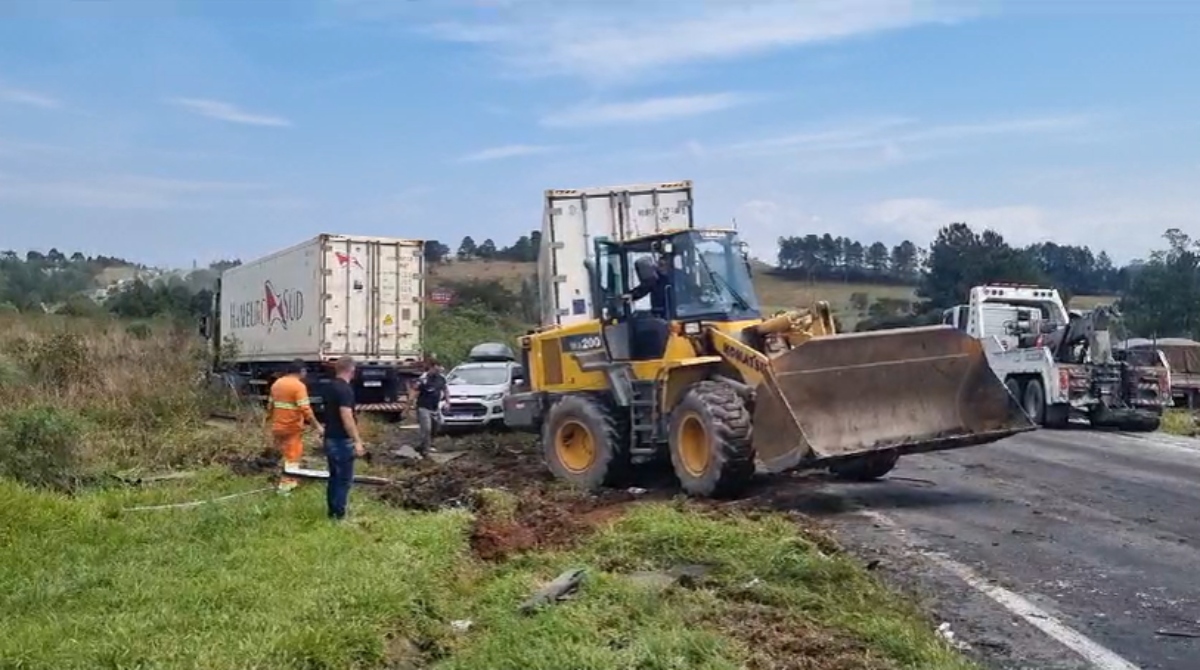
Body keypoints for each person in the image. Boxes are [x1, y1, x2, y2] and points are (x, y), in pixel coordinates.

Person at [266, 359, 322, 494]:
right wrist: (317, 425)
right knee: (292, 455)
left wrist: (268, 422)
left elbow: (270, 406)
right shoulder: (298, 386)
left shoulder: (277, 384)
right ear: (301, 371)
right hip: (292, 427)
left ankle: (285, 479)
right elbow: (305, 409)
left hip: (277, 426)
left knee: (283, 454)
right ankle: (286, 487)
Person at [321, 356, 365, 520]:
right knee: (344, 480)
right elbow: (346, 416)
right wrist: (357, 440)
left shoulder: (330, 387)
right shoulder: (345, 390)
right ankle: (339, 515)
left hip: (330, 437)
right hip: (341, 440)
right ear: (352, 370)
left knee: (334, 477)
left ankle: (332, 511)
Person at [410, 358, 448, 459]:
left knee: (436, 426)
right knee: (426, 428)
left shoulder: (441, 378)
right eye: (436, 367)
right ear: (432, 367)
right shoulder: (424, 378)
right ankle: (425, 450)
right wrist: (409, 405)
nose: (439, 369)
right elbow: (414, 391)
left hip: (435, 407)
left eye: (439, 367)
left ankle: (427, 444)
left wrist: (448, 402)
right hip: (423, 407)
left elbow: (445, 389)